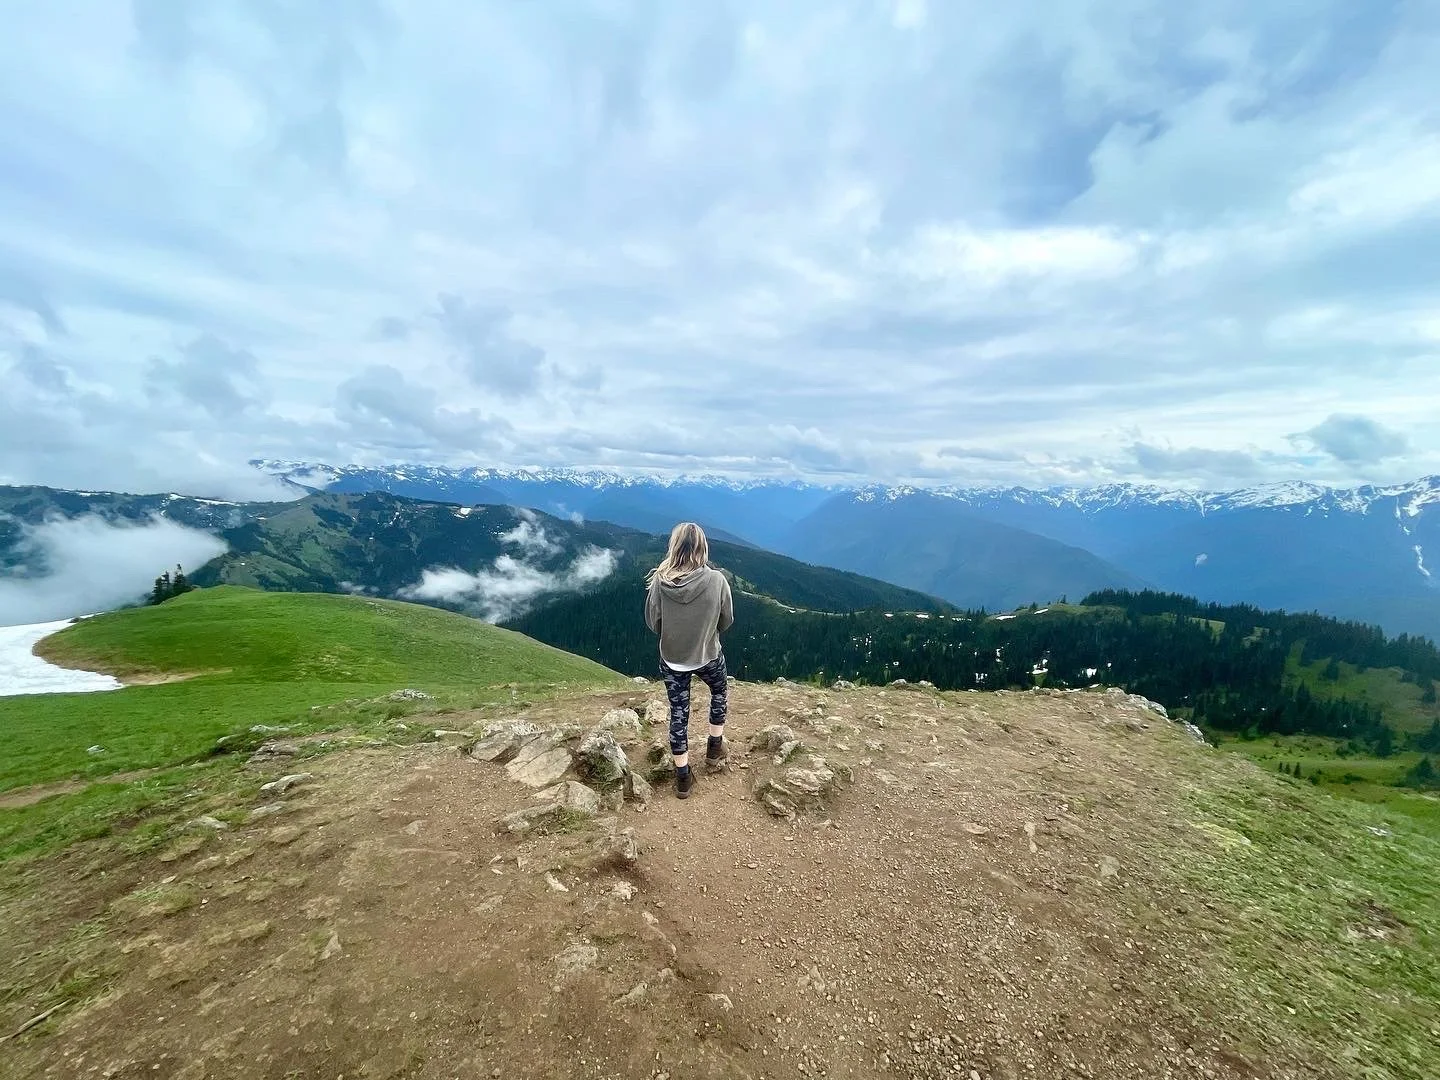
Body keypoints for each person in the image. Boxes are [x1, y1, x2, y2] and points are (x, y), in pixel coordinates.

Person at [644, 522, 734, 799]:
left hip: (672, 659)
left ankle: (683, 777)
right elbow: (726, 620)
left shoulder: (660, 582)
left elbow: (653, 623)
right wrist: (706, 632)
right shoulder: (717, 581)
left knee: (678, 712)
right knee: (719, 691)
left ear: (674, 546)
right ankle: (714, 749)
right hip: (707, 654)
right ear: (702, 547)